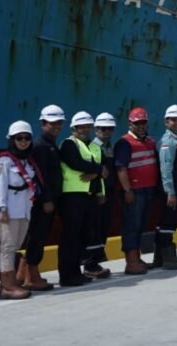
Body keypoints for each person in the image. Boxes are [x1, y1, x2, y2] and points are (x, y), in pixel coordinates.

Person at [0, 121, 40, 300]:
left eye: (27, 138)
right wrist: (1, 209)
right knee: (7, 247)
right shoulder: (3, 162)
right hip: (9, 211)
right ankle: (8, 286)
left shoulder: (27, 162)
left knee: (16, 245)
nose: (23, 141)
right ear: (12, 140)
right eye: (19, 138)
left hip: (24, 210)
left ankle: (8, 283)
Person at [57, 111, 106, 287]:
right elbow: (75, 163)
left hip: (89, 196)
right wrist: (98, 170)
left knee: (82, 237)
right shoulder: (69, 144)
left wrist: (100, 190)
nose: (85, 129)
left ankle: (76, 272)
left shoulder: (93, 147)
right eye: (81, 127)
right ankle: (67, 276)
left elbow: (102, 171)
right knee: (70, 237)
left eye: (87, 127)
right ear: (73, 128)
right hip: (72, 196)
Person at [20, 103, 64, 292]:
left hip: (50, 198)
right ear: (43, 124)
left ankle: (21, 275)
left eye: (59, 123)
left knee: (38, 236)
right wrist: (46, 199)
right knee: (37, 236)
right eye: (52, 123)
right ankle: (32, 276)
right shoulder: (40, 146)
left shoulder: (50, 145)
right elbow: (40, 175)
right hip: (43, 201)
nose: (56, 127)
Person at [116, 106, 159, 275]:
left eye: (143, 123)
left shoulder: (150, 142)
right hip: (135, 192)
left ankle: (137, 257)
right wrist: (127, 190)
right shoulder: (124, 143)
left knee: (141, 225)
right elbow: (121, 168)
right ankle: (131, 262)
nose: (141, 126)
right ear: (130, 124)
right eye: (137, 123)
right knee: (131, 226)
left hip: (148, 190)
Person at [154, 104, 177, 270]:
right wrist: (170, 192)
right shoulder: (168, 142)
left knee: (166, 222)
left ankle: (159, 258)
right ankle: (169, 258)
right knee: (168, 223)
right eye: (173, 120)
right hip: (171, 191)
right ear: (166, 122)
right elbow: (166, 168)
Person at [85, 112, 116, 277]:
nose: (106, 132)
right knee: (94, 228)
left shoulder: (111, 147)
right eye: (103, 129)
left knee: (104, 226)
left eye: (110, 129)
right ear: (96, 130)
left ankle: (95, 261)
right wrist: (98, 192)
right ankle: (90, 264)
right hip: (97, 194)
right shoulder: (92, 147)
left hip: (109, 191)